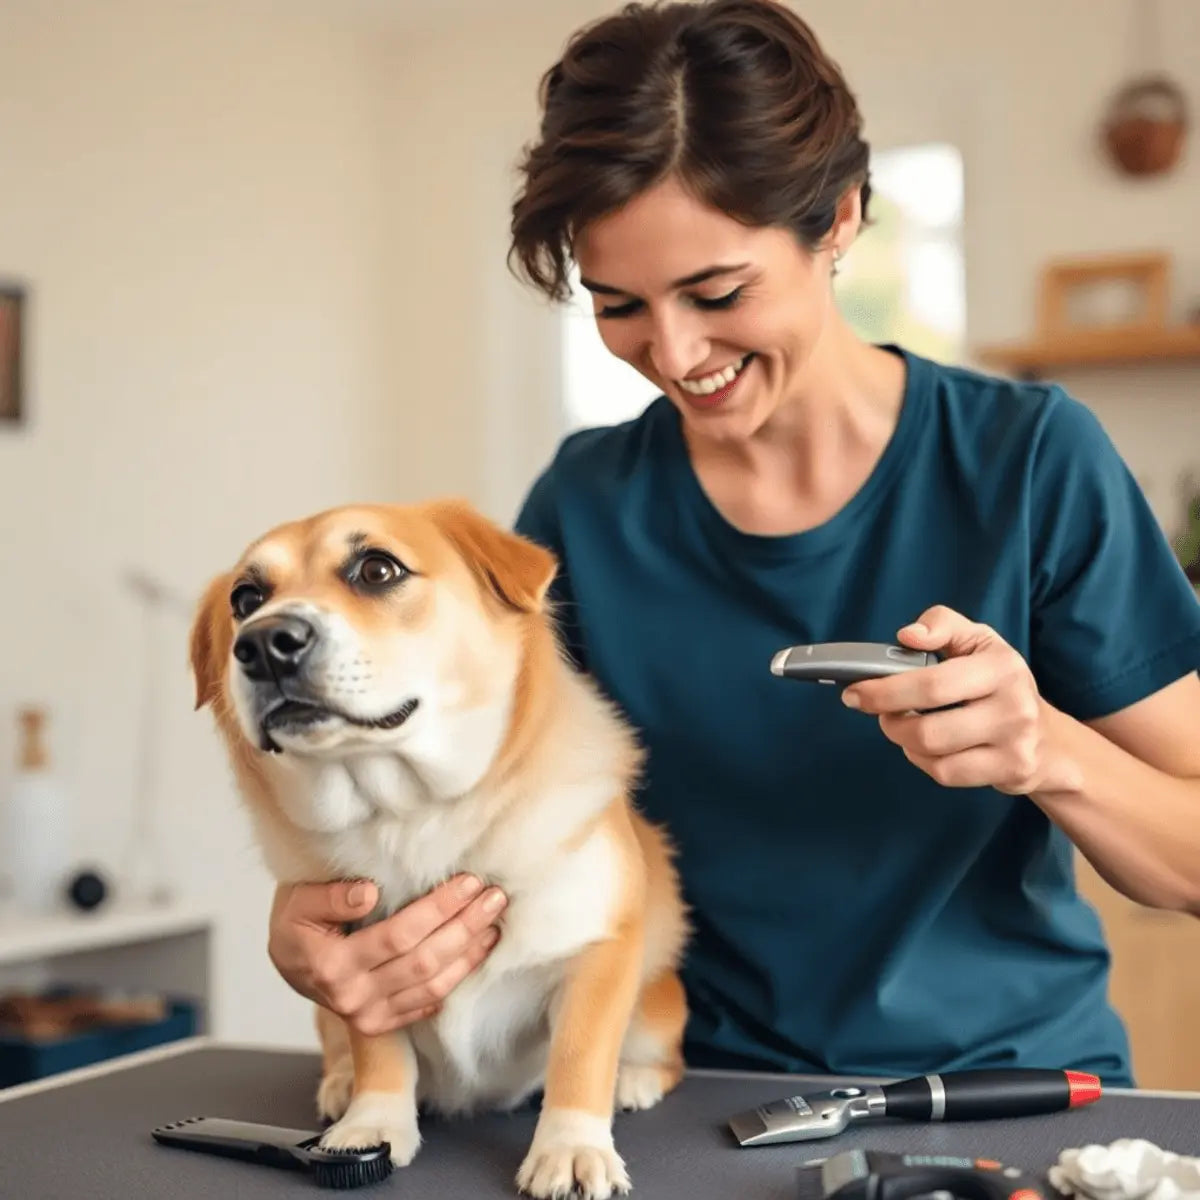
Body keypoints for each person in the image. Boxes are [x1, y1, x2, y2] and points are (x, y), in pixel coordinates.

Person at [265, 0, 1200, 1087]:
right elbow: (465, 811)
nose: (673, 352)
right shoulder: (584, 503)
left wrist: (1044, 747)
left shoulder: (1030, 463)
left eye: (717, 293)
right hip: (693, 1094)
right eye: (617, 306)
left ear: (840, 218)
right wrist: (325, 931)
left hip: (1005, 1089)